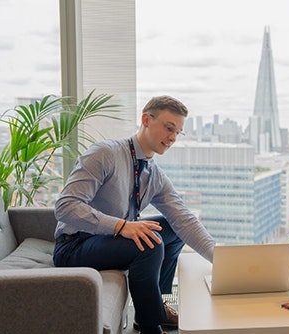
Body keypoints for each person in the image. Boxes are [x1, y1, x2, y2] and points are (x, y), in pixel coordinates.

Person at [53, 95, 215, 334]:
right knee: (150, 244)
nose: (172, 138)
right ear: (146, 120)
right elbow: (65, 206)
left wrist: (221, 259)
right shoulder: (105, 154)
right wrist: (121, 226)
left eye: (177, 133)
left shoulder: (154, 174)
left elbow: (184, 219)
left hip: (107, 242)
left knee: (172, 229)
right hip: (74, 246)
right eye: (169, 128)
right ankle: (151, 326)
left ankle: (153, 306)